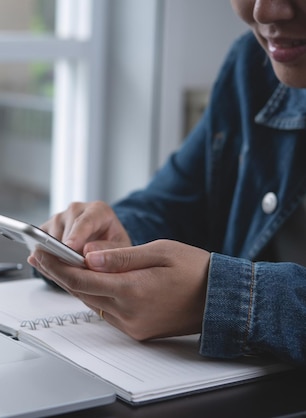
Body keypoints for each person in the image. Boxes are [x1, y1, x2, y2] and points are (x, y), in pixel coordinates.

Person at [28, 0, 306, 365]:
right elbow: (174, 203)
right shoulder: (252, 68)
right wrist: (108, 241)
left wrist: (218, 297)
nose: (264, 12)